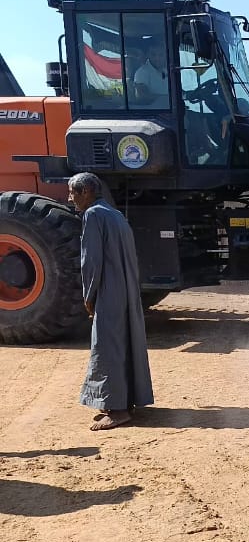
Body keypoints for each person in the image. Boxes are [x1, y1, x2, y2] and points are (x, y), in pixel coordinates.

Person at [67, 174, 154, 431]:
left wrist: (89, 296)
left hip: (109, 291)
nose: (69, 199)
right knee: (124, 343)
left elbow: (91, 262)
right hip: (126, 290)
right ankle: (125, 402)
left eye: (72, 192)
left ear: (86, 192)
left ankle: (117, 410)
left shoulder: (93, 215)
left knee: (108, 347)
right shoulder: (115, 215)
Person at [132, 39, 170, 106]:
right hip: (152, 110)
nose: (157, 58)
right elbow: (142, 96)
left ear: (166, 55)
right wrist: (168, 98)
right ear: (148, 55)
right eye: (153, 54)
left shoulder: (170, 70)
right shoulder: (142, 72)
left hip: (171, 108)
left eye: (161, 55)